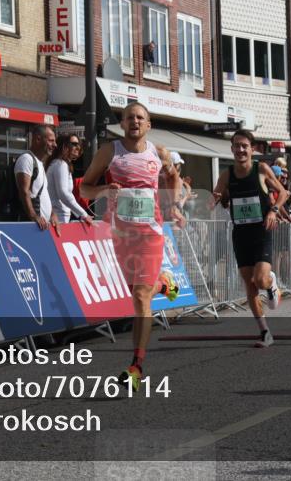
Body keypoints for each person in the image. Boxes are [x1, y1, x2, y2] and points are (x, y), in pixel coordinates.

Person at [81, 102, 184, 389]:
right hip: (121, 234)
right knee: (135, 293)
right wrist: (102, 189)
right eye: (130, 118)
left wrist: (174, 206)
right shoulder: (109, 152)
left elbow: (173, 177)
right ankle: (164, 284)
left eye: (140, 118)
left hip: (150, 232)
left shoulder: (158, 152)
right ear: (122, 123)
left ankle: (136, 365)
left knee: (140, 296)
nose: (135, 121)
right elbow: (84, 188)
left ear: (148, 125)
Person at [210, 129, 288, 348]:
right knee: (249, 284)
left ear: (252, 149)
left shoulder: (261, 169)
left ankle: (271, 282)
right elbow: (218, 197)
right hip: (240, 234)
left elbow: (282, 193)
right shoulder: (226, 175)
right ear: (232, 148)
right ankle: (264, 332)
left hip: (261, 231)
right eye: (236, 146)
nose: (240, 150)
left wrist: (273, 210)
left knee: (261, 280)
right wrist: (212, 200)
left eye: (245, 146)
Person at [16, 124, 59, 231]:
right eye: (51, 141)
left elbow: (43, 194)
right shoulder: (26, 159)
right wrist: (34, 217)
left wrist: (52, 213)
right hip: (31, 228)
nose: (55, 145)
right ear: (38, 139)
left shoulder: (39, 163)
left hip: (41, 227)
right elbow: (24, 191)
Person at [46, 133, 91, 225]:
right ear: (63, 146)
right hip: (58, 217)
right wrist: (83, 214)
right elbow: (63, 193)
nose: (77, 147)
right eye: (73, 144)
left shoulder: (59, 164)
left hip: (58, 215)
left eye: (79, 144)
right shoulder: (60, 164)